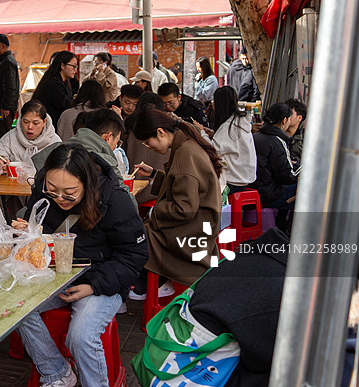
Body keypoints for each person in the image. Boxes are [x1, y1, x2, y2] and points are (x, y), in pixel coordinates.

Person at [15, 144, 147, 387]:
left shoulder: (115, 200)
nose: (60, 198)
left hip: (101, 281)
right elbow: (40, 227)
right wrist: (29, 231)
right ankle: (56, 372)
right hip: (57, 275)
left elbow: (134, 255)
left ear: (88, 184)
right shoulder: (44, 189)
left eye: (70, 193)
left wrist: (93, 286)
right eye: (52, 190)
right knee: (16, 309)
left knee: (81, 336)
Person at [131, 108, 223, 292]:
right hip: (201, 221)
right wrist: (155, 175)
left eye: (148, 143)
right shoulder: (185, 144)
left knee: (138, 236)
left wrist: (154, 212)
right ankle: (154, 282)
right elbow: (183, 185)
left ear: (160, 132)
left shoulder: (185, 153)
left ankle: (154, 284)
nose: (149, 148)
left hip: (194, 229)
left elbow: (183, 208)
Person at [187, 227, 289, 387]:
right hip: (194, 371)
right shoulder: (282, 292)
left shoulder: (249, 254)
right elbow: (267, 360)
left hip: (177, 344)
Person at [33, 109, 131, 192]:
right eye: (117, 141)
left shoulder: (52, 151)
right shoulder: (105, 164)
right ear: (108, 137)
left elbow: (36, 192)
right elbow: (125, 201)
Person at [193, 86, 256, 195]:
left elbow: (212, 150)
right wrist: (211, 133)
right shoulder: (239, 122)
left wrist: (201, 131)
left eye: (214, 101)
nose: (212, 104)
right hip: (245, 179)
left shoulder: (229, 126)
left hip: (233, 182)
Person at [249, 102, 299, 232]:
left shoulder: (254, 137)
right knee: (305, 190)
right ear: (284, 120)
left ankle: (281, 224)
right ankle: (287, 230)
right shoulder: (278, 141)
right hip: (268, 194)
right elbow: (287, 177)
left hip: (253, 189)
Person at [0, 100, 61, 176]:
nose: (30, 127)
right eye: (26, 122)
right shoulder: (11, 137)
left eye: (35, 123)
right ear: (20, 120)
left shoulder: (55, 142)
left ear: (44, 122)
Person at [32, 50, 78, 126]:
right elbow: (65, 105)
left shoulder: (64, 82)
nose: (75, 70)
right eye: (73, 66)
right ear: (62, 66)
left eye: (76, 67)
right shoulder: (54, 84)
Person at [0, 34, 20, 141]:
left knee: (4, 136)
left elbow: (10, 86)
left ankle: (5, 156)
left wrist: (6, 106)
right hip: (1, 107)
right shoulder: (3, 60)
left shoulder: (7, 62)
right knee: (1, 134)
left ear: (2, 46)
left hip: (4, 109)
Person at [284, 97, 307, 163]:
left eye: (290, 113)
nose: (286, 115)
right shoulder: (276, 132)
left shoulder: (305, 139)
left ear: (299, 118)